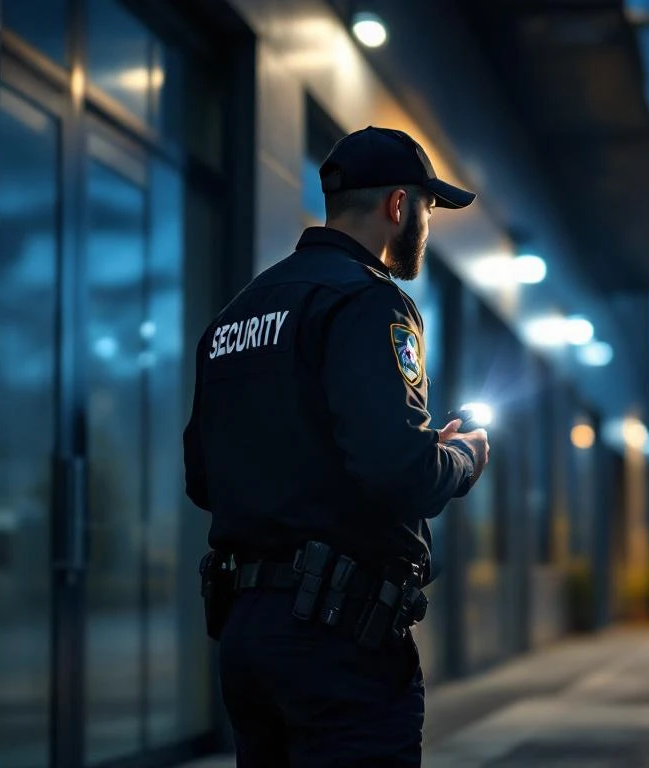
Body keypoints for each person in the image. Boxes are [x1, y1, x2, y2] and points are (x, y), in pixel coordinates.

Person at [183, 125, 490, 767]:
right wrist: (460, 459)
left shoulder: (236, 316)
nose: (426, 231)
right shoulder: (369, 301)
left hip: (249, 634)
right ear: (399, 206)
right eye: (429, 212)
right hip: (339, 640)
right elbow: (401, 471)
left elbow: (203, 478)